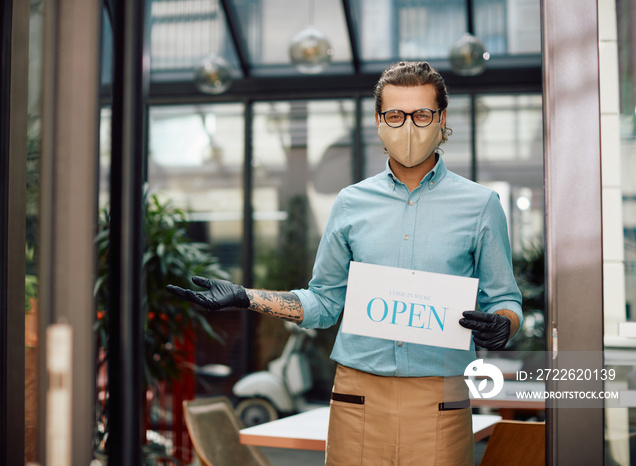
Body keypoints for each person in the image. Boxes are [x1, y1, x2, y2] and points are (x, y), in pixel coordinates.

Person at [166, 61, 522, 465]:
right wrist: (247, 297)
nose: (409, 127)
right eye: (395, 115)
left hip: (439, 400)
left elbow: (505, 299)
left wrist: (503, 323)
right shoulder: (351, 203)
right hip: (358, 401)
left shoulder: (480, 206)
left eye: (422, 114)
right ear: (378, 122)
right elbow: (324, 303)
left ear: (442, 120)